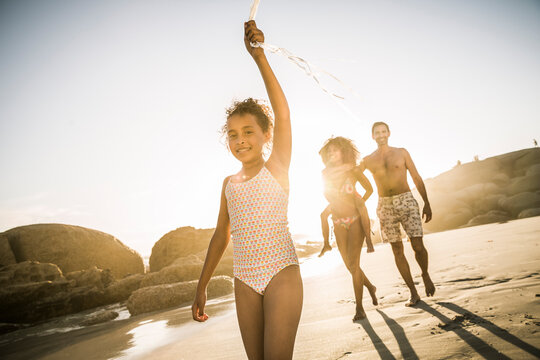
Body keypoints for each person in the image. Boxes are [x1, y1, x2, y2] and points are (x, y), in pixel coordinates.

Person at [191, 21, 302, 360]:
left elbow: (283, 114)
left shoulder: (277, 167)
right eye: (233, 134)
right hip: (244, 280)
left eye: (249, 131)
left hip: (282, 271)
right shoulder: (228, 185)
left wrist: (259, 58)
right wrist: (202, 285)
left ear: (266, 134)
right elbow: (220, 236)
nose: (240, 140)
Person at [358, 121, 435, 306]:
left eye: (383, 131)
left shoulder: (401, 152)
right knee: (397, 250)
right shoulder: (368, 160)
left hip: (406, 200)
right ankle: (413, 292)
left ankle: (425, 274)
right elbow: (352, 175)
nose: (381, 135)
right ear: (372, 136)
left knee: (417, 246)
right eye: (377, 132)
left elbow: (416, 176)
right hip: (385, 205)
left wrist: (426, 202)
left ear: (389, 133)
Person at [319, 136, 378, 321]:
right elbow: (328, 195)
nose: (332, 154)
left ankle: (360, 308)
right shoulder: (325, 173)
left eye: (335, 150)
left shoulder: (353, 170)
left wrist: (359, 203)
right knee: (350, 266)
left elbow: (369, 189)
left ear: (343, 151)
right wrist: (335, 204)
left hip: (354, 221)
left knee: (354, 265)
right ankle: (370, 287)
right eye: (329, 152)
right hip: (337, 222)